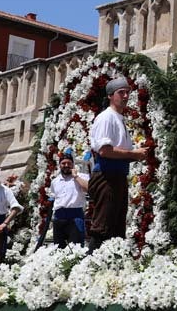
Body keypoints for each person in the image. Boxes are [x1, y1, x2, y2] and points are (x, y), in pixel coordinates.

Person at [87, 76, 148, 250]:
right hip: (106, 177)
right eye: (121, 93)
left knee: (116, 228)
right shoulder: (107, 118)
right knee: (103, 226)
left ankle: (110, 267)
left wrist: (136, 154)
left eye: (128, 92)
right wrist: (133, 154)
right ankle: (90, 264)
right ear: (110, 96)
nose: (126, 96)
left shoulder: (119, 119)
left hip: (118, 176)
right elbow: (105, 150)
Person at [49, 154, 89, 247]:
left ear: (73, 164)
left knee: (76, 248)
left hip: (75, 215)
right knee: (58, 249)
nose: (66, 165)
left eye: (69, 163)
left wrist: (76, 177)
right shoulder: (55, 181)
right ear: (60, 165)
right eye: (63, 163)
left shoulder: (82, 176)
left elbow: (88, 188)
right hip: (59, 217)